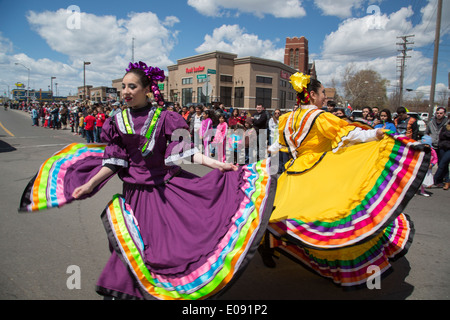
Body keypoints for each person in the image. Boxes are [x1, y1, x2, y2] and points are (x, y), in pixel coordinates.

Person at [19, 61, 276, 300]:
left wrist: (218, 164)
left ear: (146, 90)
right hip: (133, 194)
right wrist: (90, 184)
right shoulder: (117, 121)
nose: (126, 91)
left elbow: (186, 151)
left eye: (132, 86)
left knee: (165, 249)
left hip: (163, 191)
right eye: (123, 86)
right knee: (129, 248)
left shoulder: (166, 118)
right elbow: (114, 161)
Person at [263, 72, 430, 286]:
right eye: (322, 93)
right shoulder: (320, 117)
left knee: (282, 213)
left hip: (293, 171)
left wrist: (268, 153)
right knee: (337, 215)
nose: (325, 97)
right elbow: (349, 134)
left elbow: (279, 145)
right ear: (312, 94)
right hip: (318, 169)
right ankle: (338, 263)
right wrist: (374, 135)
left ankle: (270, 247)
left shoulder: (286, 118)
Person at [433, 121, 450, 190]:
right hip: (442, 147)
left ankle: (434, 179)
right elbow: (441, 136)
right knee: (444, 165)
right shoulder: (445, 127)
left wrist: (446, 135)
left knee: (442, 164)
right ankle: (447, 181)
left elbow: (445, 135)